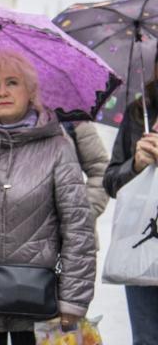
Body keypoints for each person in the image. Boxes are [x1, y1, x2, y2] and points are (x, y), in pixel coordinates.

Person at [0, 51, 95, 345]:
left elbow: (78, 230)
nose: (3, 92)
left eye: (13, 82)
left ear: (31, 91)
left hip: (39, 297)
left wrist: (73, 301)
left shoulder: (58, 148)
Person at [103, 73, 158, 345]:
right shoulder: (139, 113)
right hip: (142, 244)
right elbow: (111, 182)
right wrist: (136, 164)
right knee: (147, 339)